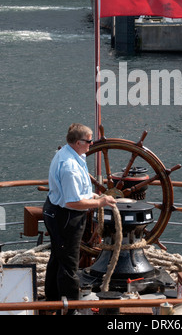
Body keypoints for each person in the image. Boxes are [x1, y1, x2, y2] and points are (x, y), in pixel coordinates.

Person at [43, 123, 116, 314]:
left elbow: (78, 193)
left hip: (55, 211)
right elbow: (73, 202)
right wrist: (102, 202)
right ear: (77, 142)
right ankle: (70, 309)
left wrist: (92, 196)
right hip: (65, 217)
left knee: (57, 258)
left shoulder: (71, 154)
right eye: (89, 141)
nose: (92, 144)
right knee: (69, 264)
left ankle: (51, 301)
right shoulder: (69, 167)